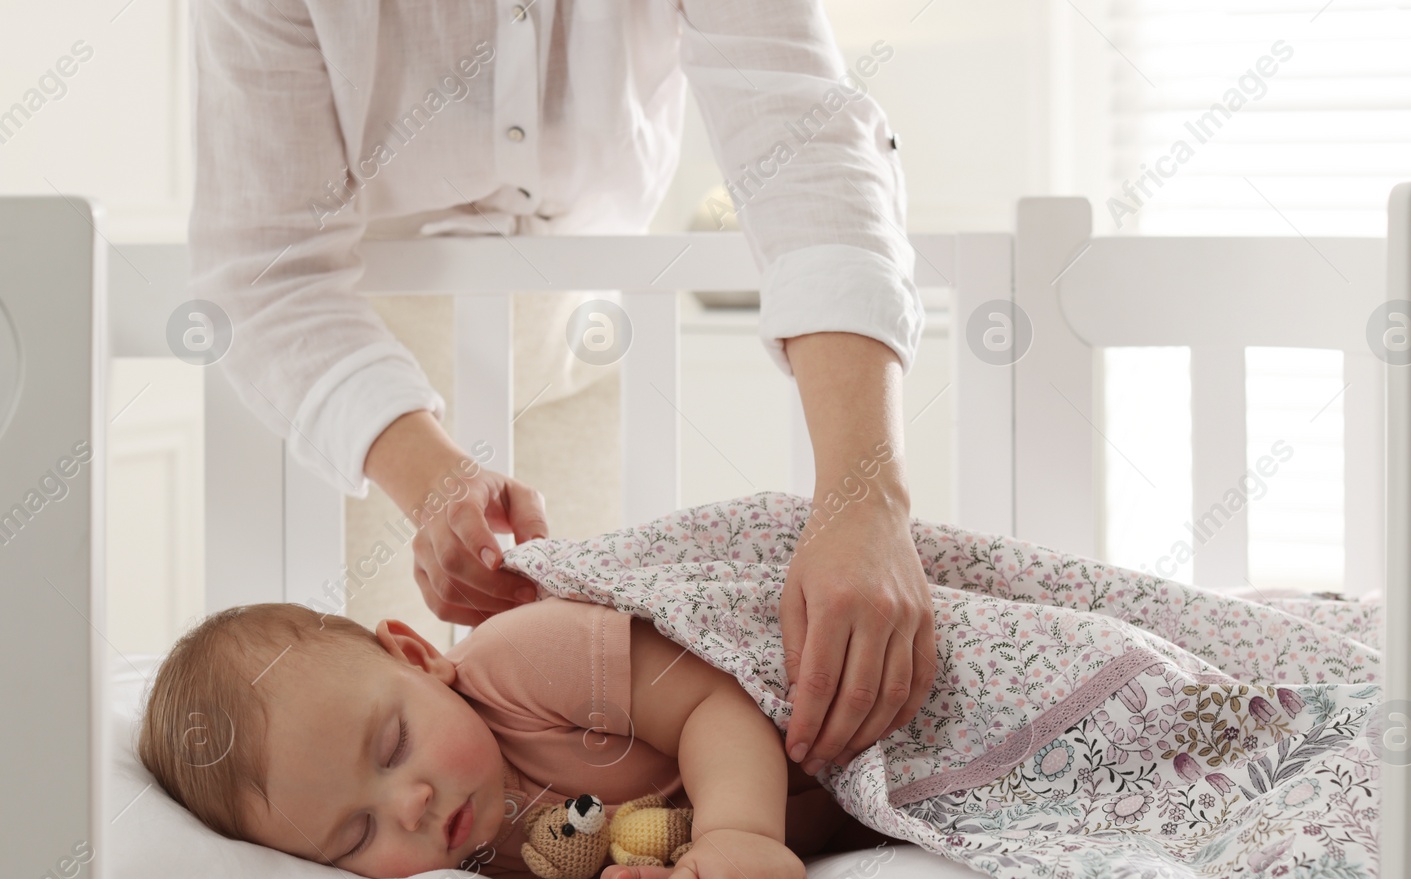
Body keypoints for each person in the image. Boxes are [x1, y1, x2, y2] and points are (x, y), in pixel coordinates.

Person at [189, 0, 936, 781]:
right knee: (366, 766)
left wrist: (866, 494)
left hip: (584, 341)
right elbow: (268, 269)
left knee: (612, 740)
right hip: (358, 395)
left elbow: (807, 148)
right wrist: (430, 477)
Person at [137, 594, 894, 879]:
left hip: (851, 709)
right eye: (357, 833)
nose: (410, 805)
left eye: (394, 742)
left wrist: (739, 833)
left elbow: (710, 698)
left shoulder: (517, 665)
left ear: (414, 655)